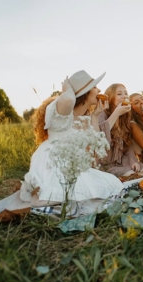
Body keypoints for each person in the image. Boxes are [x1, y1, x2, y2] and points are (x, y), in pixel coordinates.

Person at [19, 70, 124, 212]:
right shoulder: (64, 110)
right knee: (62, 192)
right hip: (52, 160)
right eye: (95, 87)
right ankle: (45, 197)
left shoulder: (85, 119)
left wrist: (96, 115)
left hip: (71, 164)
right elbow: (68, 99)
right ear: (85, 92)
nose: (99, 90)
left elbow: (94, 149)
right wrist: (68, 88)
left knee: (113, 184)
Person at [98, 84, 143, 177]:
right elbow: (99, 135)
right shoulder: (102, 114)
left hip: (122, 162)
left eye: (126, 93)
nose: (124, 96)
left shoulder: (125, 117)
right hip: (104, 165)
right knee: (131, 174)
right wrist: (116, 113)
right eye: (119, 94)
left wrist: (133, 162)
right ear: (110, 97)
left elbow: (128, 146)